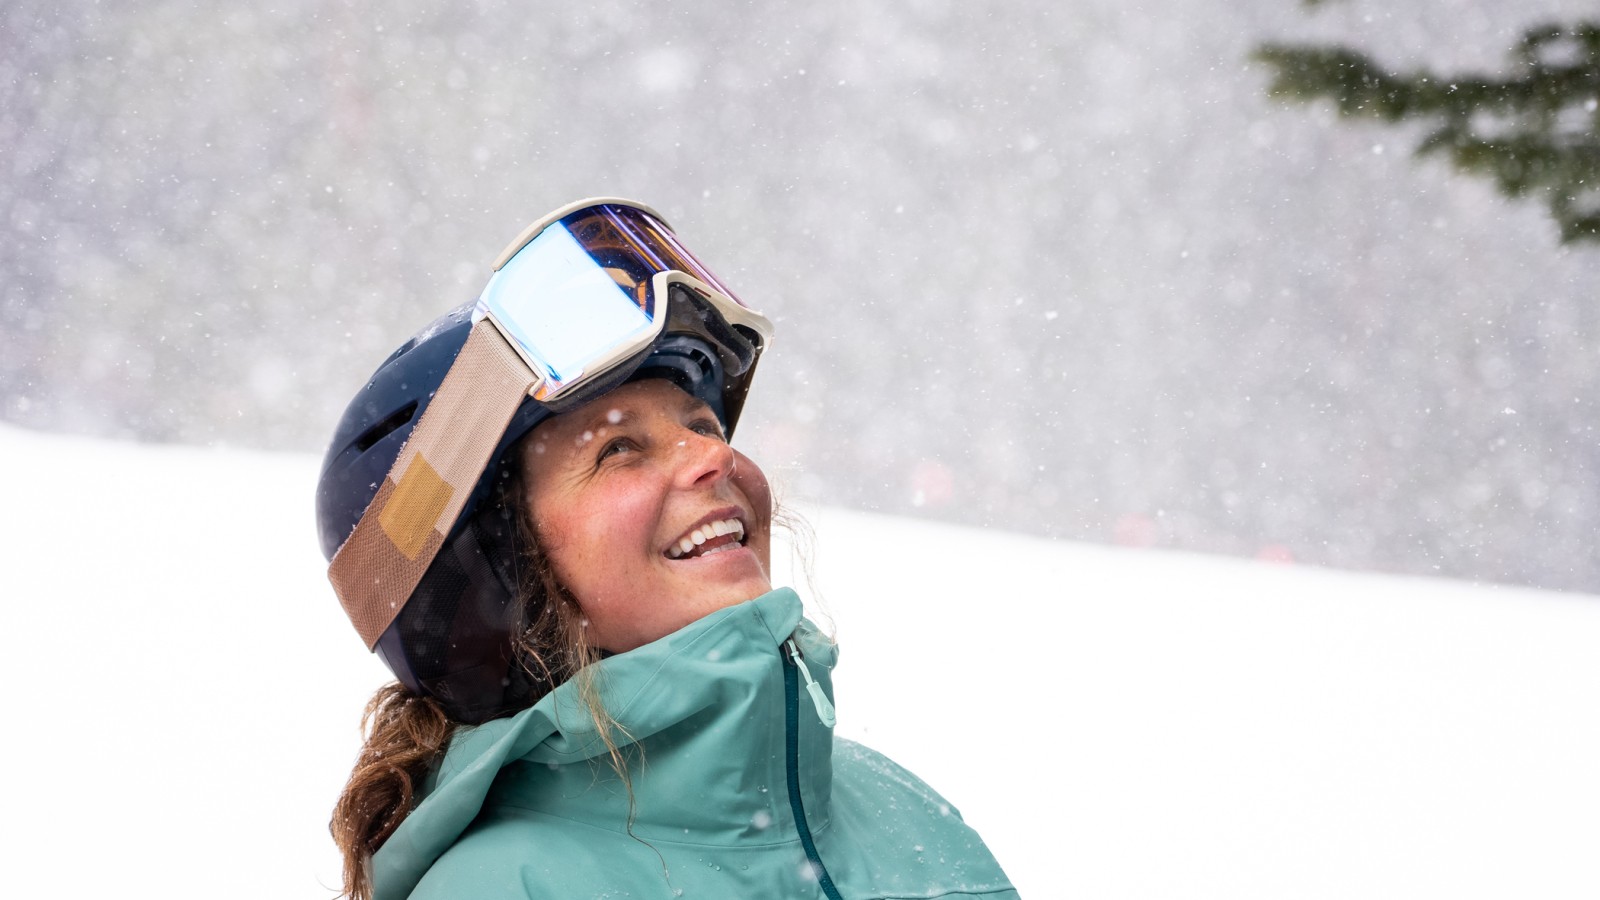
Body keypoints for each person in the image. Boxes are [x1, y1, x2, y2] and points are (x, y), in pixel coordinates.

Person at [316, 199, 1019, 900]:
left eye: (703, 425)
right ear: (499, 575)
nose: (716, 456)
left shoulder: (901, 810)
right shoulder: (506, 886)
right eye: (619, 448)